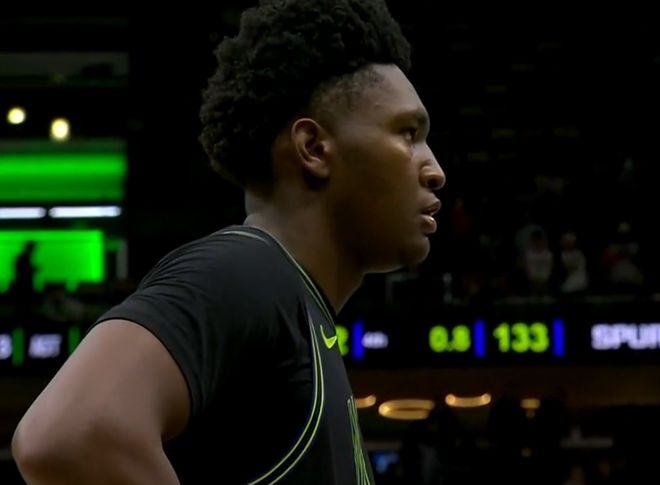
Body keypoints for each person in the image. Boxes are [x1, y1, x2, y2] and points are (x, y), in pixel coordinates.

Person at [11, 0, 446, 483]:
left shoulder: (297, 311)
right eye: (408, 134)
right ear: (314, 148)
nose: (435, 170)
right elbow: (68, 435)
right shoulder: (246, 271)